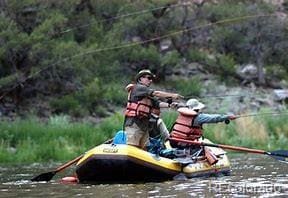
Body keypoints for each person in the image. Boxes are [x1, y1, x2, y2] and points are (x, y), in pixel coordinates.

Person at [124, 69, 183, 149]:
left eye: (151, 78)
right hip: (134, 124)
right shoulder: (138, 88)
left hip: (144, 126)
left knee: (145, 149)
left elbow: (158, 104)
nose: (150, 80)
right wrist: (173, 95)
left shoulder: (147, 94)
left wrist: (170, 105)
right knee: (132, 147)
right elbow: (156, 93)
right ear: (140, 79)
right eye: (148, 78)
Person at [169, 98, 237, 164]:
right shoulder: (198, 117)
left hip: (175, 143)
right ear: (197, 108)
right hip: (186, 145)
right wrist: (227, 117)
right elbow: (213, 118)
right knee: (204, 148)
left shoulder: (182, 114)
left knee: (198, 144)